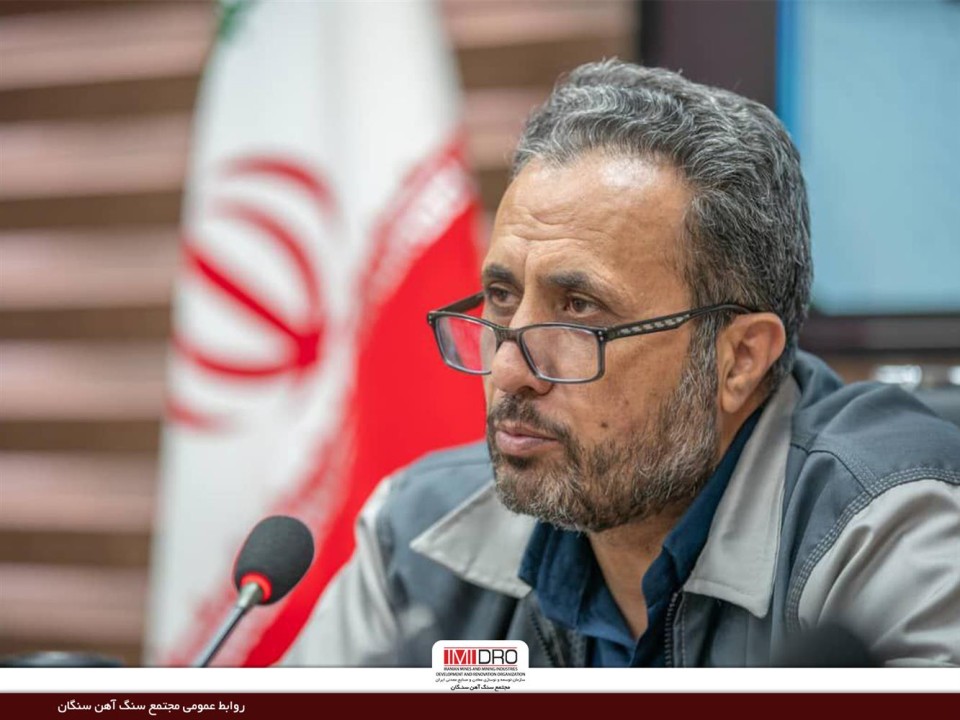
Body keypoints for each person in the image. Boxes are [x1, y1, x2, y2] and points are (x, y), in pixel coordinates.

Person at [287, 60, 960, 667]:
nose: (510, 372)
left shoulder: (888, 531)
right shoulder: (416, 537)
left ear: (739, 359)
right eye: (502, 297)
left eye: (579, 311)